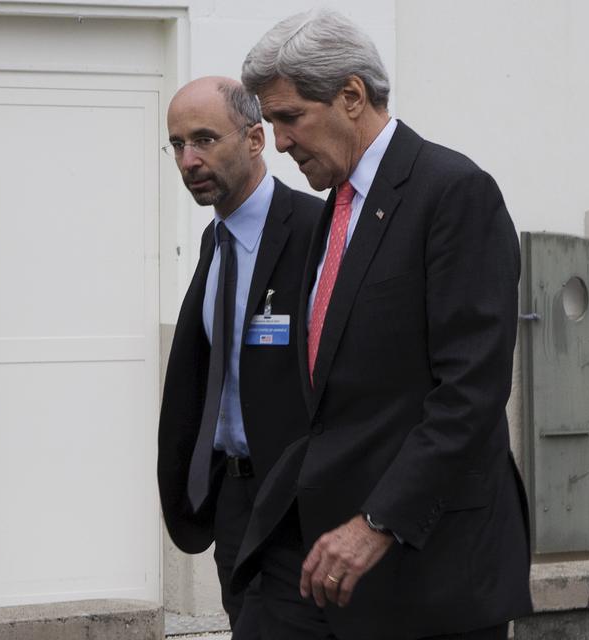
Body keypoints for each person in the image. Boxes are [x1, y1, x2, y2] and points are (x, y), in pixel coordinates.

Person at [232, 10, 533, 640]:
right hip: (322, 557)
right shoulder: (331, 211)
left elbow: (470, 394)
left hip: (428, 564)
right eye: (272, 122)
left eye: (290, 118)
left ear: (351, 95)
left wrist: (378, 522)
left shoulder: (453, 193)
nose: (279, 142)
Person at [156, 76, 322, 637]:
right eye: (177, 144)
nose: (189, 160)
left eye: (204, 139)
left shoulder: (315, 232)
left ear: (255, 139)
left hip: (296, 507)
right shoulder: (215, 240)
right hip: (233, 499)